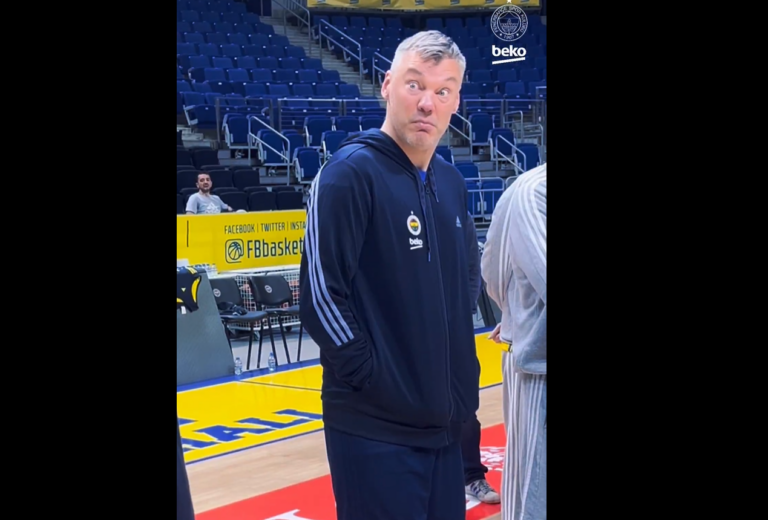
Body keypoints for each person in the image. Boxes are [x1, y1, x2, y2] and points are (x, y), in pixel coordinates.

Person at [298, 30, 479, 520]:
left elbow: (466, 279)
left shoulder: (451, 182)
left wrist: (457, 374)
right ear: (387, 85)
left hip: (445, 428)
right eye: (414, 84)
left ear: (456, 101)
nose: (427, 103)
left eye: (443, 91)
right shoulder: (348, 174)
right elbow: (321, 295)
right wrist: (374, 378)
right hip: (374, 430)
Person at [481, 164, 547, 520]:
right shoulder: (534, 192)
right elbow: (494, 274)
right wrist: (515, 317)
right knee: (533, 498)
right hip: (539, 373)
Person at [462, 215, 501, 504]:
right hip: (414, 329)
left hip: (456, 328)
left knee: (466, 408)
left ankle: (471, 476)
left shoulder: (456, 209)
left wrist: (461, 311)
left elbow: (473, 269)